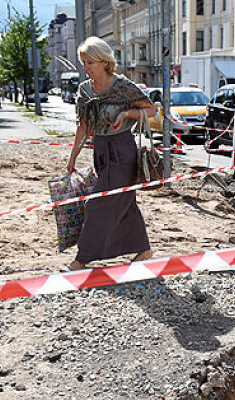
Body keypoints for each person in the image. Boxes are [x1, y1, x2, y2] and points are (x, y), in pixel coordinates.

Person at [66, 36, 157, 271]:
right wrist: (72, 157)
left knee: (96, 203)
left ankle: (82, 258)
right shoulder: (84, 90)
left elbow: (151, 110)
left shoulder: (122, 86)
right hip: (100, 151)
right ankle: (144, 249)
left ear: (104, 62)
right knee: (124, 202)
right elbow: (83, 126)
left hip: (123, 150)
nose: (86, 68)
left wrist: (126, 114)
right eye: (83, 63)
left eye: (90, 63)